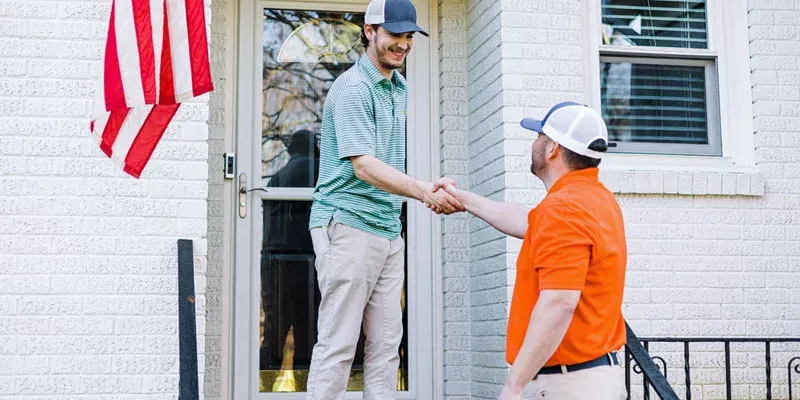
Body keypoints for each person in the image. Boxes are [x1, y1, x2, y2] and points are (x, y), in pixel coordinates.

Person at [305, 0, 463, 398]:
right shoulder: (354, 88)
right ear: (369, 30)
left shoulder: (399, 87)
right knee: (339, 346)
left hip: (388, 229)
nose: (403, 44)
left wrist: (425, 188)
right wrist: (423, 190)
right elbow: (365, 166)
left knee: (386, 347)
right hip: (348, 223)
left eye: (409, 36)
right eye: (395, 34)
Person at [434, 101, 628, 400]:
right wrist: (461, 199)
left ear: (553, 149)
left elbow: (559, 302)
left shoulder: (564, 209)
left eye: (539, 136)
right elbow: (526, 221)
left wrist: (514, 385)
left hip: (566, 385)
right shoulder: (595, 200)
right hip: (589, 378)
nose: (534, 143)